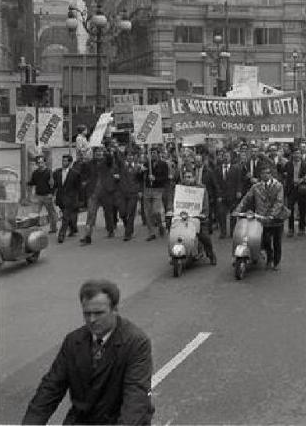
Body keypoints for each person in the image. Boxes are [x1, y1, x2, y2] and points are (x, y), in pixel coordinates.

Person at [22, 280, 154, 425]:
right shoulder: (73, 341)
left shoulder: (136, 343)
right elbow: (50, 389)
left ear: (115, 309)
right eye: (87, 314)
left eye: (98, 313)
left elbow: (135, 399)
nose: (92, 320)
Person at [234, 163, 288, 271]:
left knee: (277, 241)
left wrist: (272, 215)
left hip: (276, 218)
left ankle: (276, 262)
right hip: (261, 218)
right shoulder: (256, 187)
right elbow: (246, 199)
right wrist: (237, 210)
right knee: (265, 240)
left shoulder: (278, 186)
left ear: (271, 174)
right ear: (260, 175)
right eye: (263, 173)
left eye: (267, 173)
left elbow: (279, 202)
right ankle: (269, 259)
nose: (265, 175)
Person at [180, 169, 217, 265]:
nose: (187, 179)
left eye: (189, 177)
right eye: (185, 177)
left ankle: (211, 254)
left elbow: (205, 204)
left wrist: (203, 214)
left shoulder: (201, 188)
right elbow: (175, 201)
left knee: (204, 236)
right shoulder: (180, 188)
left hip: (198, 218)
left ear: (194, 178)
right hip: (183, 217)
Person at [214, 149, 244, 238]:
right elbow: (216, 183)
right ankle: (223, 232)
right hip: (222, 196)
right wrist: (218, 195)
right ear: (222, 158)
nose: (226, 158)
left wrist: (239, 191)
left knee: (233, 215)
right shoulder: (217, 169)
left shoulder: (236, 168)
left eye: (227, 156)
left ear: (230, 158)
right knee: (221, 214)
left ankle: (232, 232)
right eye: (224, 156)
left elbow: (239, 181)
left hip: (233, 195)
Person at [52, 155, 81, 243]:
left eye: (66, 161)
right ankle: (73, 228)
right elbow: (55, 186)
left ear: (70, 163)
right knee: (69, 217)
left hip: (70, 199)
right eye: (63, 161)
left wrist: (77, 199)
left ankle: (61, 235)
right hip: (60, 198)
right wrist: (53, 195)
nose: (64, 162)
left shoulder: (75, 174)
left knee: (65, 217)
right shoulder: (57, 172)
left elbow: (78, 187)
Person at [142, 147, 169, 241]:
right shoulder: (146, 164)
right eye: (151, 153)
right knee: (147, 212)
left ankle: (161, 225)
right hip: (147, 190)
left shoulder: (164, 164)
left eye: (154, 153)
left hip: (158, 190)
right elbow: (140, 177)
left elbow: (165, 178)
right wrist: (141, 171)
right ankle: (151, 233)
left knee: (156, 211)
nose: (152, 155)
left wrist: (155, 179)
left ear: (158, 154)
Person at [283, 148, 306, 237]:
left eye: (298, 153)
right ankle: (291, 229)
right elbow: (283, 171)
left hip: (302, 189)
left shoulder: (305, 165)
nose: (297, 155)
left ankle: (301, 228)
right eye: (295, 153)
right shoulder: (288, 164)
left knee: (302, 209)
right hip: (291, 190)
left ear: (301, 155)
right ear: (292, 155)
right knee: (290, 210)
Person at [28, 156, 58, 234]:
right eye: (38, 163)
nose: (40, 164)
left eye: (41, 162)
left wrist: (52, 194)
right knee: (34, 213)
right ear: (36, 164)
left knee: (51, 213)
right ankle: (33, 229)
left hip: (47, 196)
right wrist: (26, 183)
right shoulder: (35, 173)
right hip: (38, 196)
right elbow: (33, 182)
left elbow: (53, 184)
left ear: (44, 162)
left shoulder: (49, 172)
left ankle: (53, 228)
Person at [118, 148, 142, 241]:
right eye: (128, 155)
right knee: (122, 213)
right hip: (123, 193)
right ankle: (128, 228)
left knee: (131, 213)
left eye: (132, 155)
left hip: (133, 193)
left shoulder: (138, 167)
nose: (130, 157)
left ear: (135, 157)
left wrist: (140, 191)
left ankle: (127, 233)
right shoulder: (121, 166)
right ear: (126, 157)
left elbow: (140, 180)